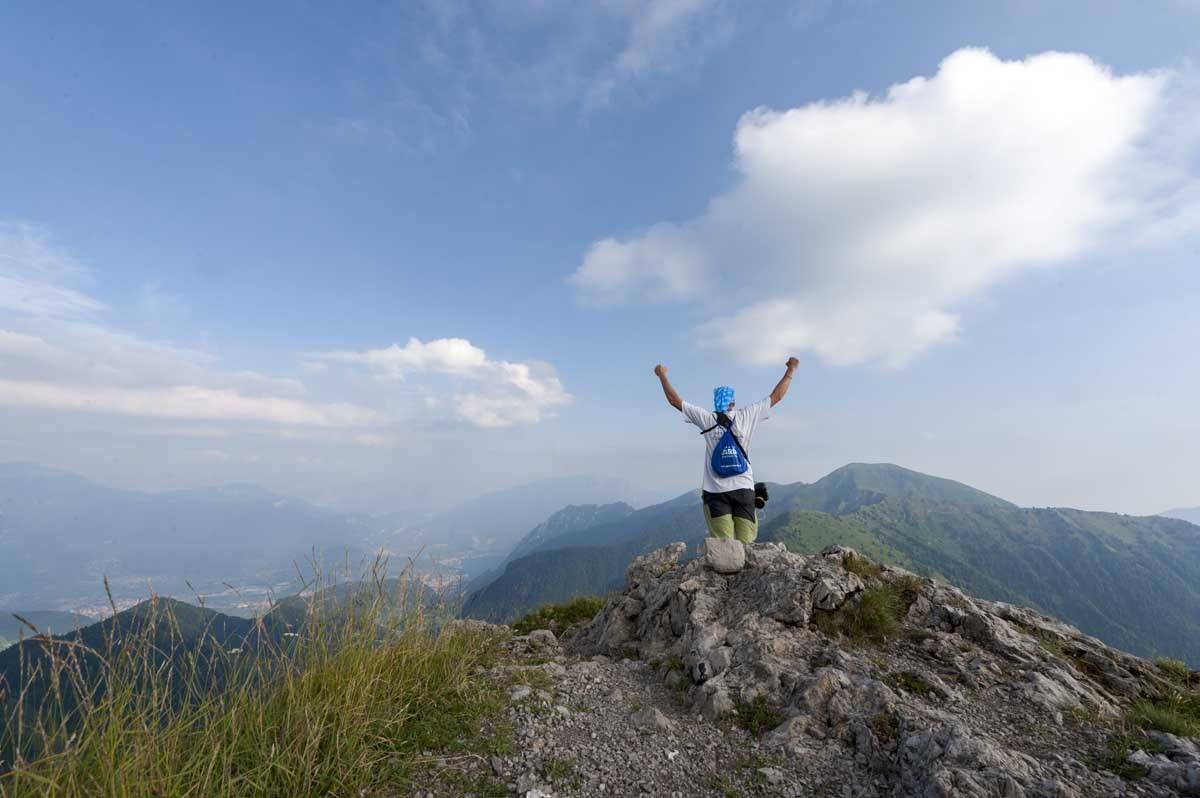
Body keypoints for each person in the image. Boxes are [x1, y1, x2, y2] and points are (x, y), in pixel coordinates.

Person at [653, 358, 799, 542]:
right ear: (733, 402)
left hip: (715, 492)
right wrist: (791, 370)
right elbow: (776, 396)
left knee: (724, 546)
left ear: (716, 401)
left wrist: (662, 375)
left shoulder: (707, 419)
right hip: (744, 489)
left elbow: (674, 400)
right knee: (746, 544)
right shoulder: (747, 415)